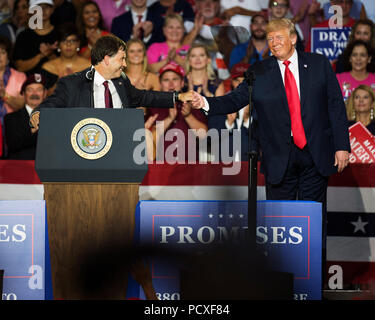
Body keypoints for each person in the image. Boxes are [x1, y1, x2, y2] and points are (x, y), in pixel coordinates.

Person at [190, 18, 350, 285]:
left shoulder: (319, 64)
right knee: (282, 226)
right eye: (270, 38)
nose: (274, 43)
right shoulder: (259, 71)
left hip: (315, 155)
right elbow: (235, 99)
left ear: (293, 38)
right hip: (278, 158)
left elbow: (335, 106)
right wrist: (205, 102)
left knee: (313, 220)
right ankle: (285, 283)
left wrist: (342, 145)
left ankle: (313, 283)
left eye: (279, 37)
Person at [29, 35, 193, 132]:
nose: (125, 64)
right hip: (86, 150)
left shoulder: (121, 82)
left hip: (118, 149)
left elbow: (146, 96)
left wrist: (178, 96)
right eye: (121, 59)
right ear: (107, 59)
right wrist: (37, 113)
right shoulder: (73, 83)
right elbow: (53, 102)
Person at [145, 62, 208, 162]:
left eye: (175, 79)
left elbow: (204, 136)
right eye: (166, 80)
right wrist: (169, 119)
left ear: (182, 83)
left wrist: (188, 116)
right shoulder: (153, 107)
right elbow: (147, 140)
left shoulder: (193, 104)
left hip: (189, 166)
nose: (171, 84)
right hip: (161, 167)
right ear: (160, 84)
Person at [207, 62, 251, 161]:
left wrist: (248, 121)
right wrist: (228, 124)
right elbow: (211, 136)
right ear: (231, 81)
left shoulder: (260, 105)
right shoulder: (221, 104)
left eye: (244, 81)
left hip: (251, 166)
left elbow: (267, 139)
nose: (240, 84)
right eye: (237, 80)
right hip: (224, 165)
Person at [4, 73, 47, 159]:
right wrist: (35, 131)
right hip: (21, 168)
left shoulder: (54, 117)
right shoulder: (11, 118)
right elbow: (13, 144)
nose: (35, 93)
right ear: (23, 94)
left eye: (39, 90)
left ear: (45, 94)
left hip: (48, 166)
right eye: (30, 90)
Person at [41, 23, 91, 93]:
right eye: (64, 41)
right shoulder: (47, 68)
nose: (68, 44)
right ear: (58, 45)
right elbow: (42, 97)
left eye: (72, 41)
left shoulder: (88, 67)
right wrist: (58, 84)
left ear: (78, 44)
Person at [13, 0, 59, 74]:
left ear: (52, 9)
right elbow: (19, 67)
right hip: (30, 84)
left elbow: (67, 64)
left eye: (46, 7)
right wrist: (41, 55)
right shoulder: (23, 36)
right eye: (39, 7)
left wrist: (50, 54)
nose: (43, 10)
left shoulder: (60, 33)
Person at [0, 35, 26, 121]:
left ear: (8, 56)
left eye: (3, 52)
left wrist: (4, 95)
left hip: (12, 126)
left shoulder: (19, 77)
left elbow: (21, 105)